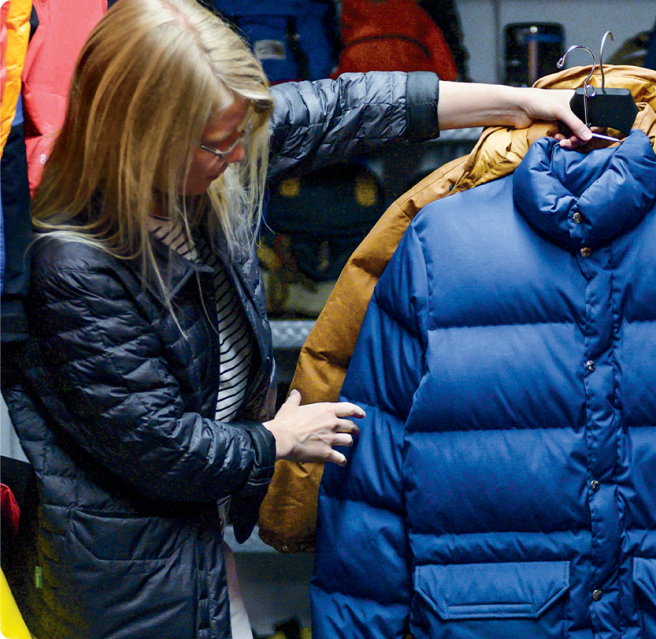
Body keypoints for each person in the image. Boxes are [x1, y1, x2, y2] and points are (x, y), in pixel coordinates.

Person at [1, 0, 592, 637]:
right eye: (217, 142)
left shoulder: (209, 159)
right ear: (140, 134)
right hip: (128, 585)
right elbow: (164, 451)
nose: (237, 154)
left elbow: (350, 106)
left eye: (241, 133)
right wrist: (279, 440)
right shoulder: (72, 267)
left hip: (197, 548)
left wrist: (519, 103)